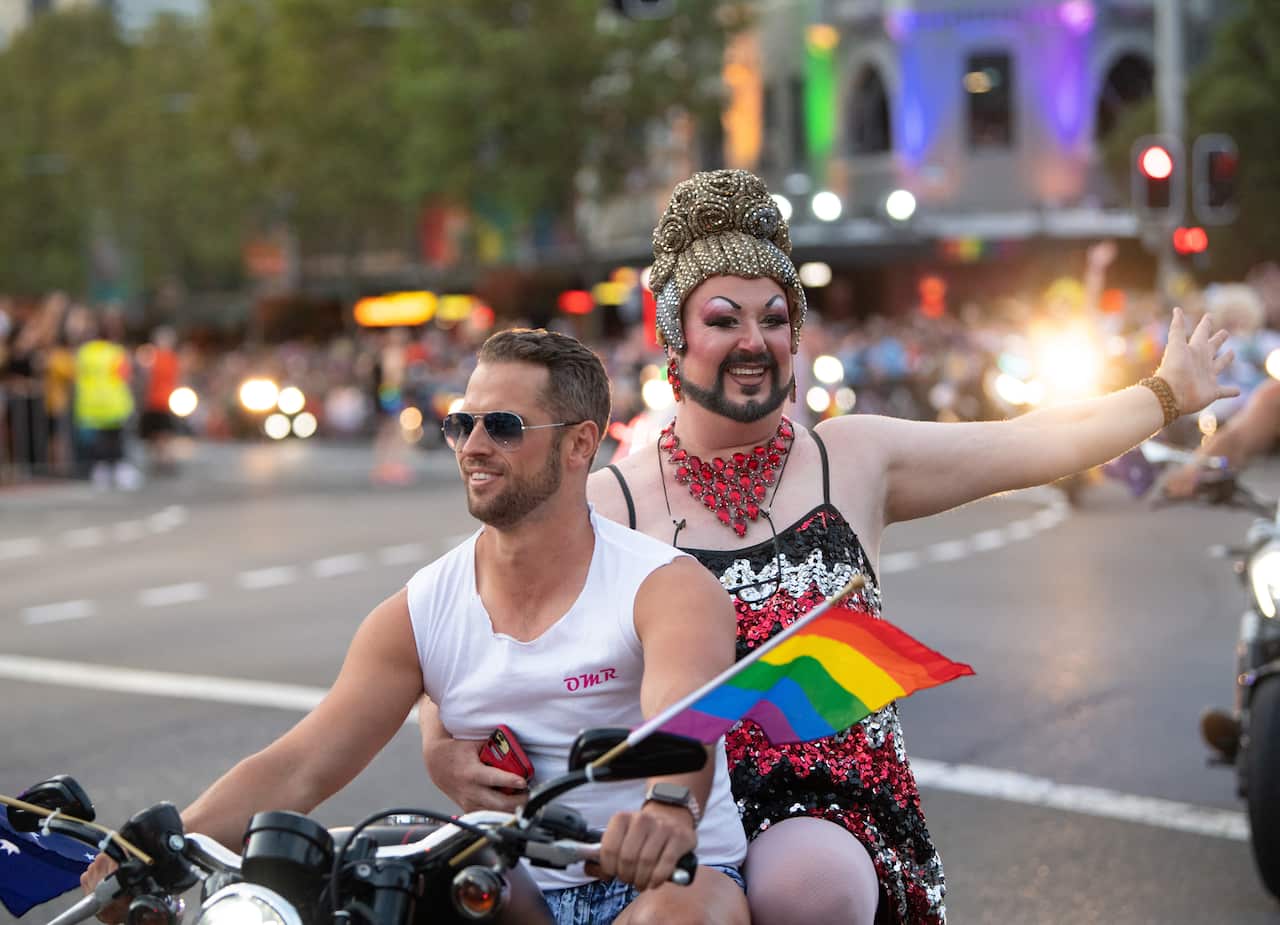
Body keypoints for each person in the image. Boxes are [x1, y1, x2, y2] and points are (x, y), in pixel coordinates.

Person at [424, 169, 1237, 925]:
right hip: (668, 819)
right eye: (723, 319)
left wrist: (1162, 395)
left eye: (775, 320)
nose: (754, 340)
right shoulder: (611, 498)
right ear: (675, 343)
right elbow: (478, 614)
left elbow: (1031, 441)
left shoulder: (853, 458)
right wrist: (440, 739)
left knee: (802, 887)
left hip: (829, 812)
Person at [84, 328, 749, 925]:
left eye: (505, 425)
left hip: (669, 882)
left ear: (580, 443)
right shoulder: (420, 607)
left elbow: (684, 718)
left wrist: (666, 808)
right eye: (462, 423)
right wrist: (162, 847)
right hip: (499, 891)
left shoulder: (666, 584)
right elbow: (300, 765)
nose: (475, 445)